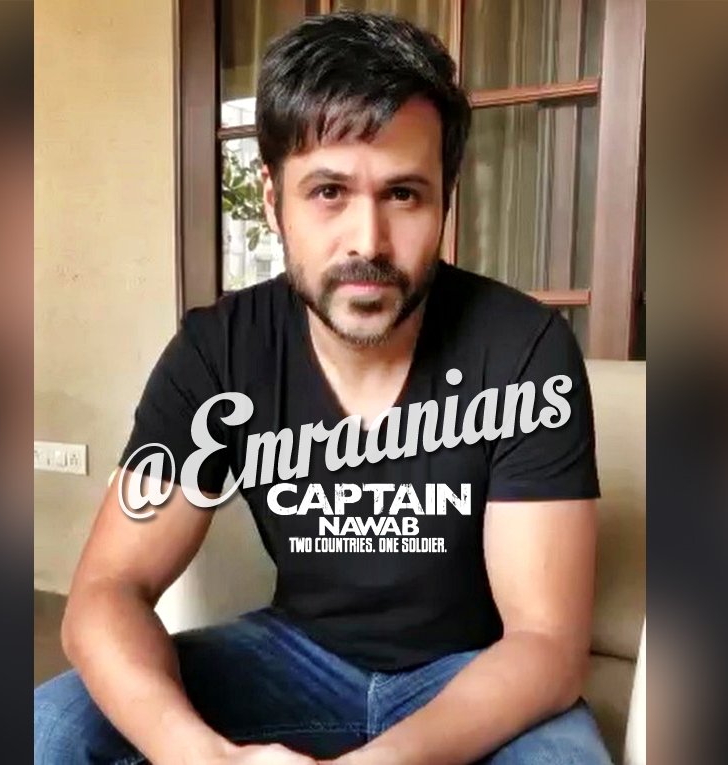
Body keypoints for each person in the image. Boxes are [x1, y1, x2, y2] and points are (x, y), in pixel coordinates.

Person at [34, 11, 611, 765]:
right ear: (272, 199)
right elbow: (107, 590)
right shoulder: (219, 353)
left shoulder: (525, 350)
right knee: (51, 725)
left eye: (403, 195)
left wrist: (385, 762)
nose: (367, 241)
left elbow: (544, 642)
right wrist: (200, 756)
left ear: (444, 200)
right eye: (329, 191)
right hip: (293, 657)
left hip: (472, 670)